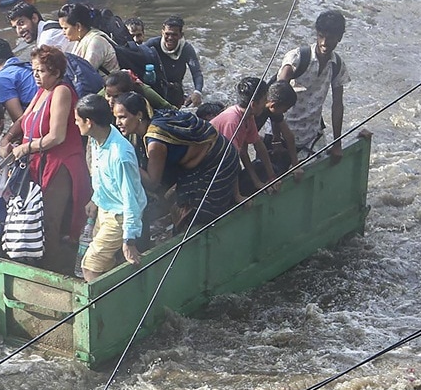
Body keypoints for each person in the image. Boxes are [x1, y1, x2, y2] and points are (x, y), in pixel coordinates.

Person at [2, 45, 93, 274]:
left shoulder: (61, 91)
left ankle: (55, 273)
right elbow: (24, 119)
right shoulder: (42, 91)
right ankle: (41, 264)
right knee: (36, 218)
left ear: (55, 71)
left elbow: (57, 136)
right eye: (34, 70)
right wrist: (8, 138)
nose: (36, 76)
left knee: (51, 221)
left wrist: (25, 147)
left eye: (41, 71)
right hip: (38, 163)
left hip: (60, 164)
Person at [112, 92, 238, 234]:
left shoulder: (155, 141)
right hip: (204, 156)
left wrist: (127, 161)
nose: (117, 123)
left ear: (139, 115)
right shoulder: (154, 117)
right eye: (116, 117)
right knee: (174, 201)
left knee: (196, 215)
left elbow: (153, 182)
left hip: (217, 161)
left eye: (122, 117)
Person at [75, 94, 146, 281]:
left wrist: (129, 239)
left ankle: (100, 309)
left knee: (89, 266)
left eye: (77, 120)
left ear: (89, 122)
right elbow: (102, 177)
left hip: (120, 217)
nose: (76, 124)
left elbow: (131, 199)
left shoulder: (120, 155)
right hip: (105, 209)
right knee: (104, 265)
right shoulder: (97, 140)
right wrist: (95, 199)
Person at [277, 10, 350, 160]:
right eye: (321, 36)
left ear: (340, 38)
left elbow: (337, 105)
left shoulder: (337, 66)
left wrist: (337, 143)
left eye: (330, 38)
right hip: (283, 132)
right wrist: (276, 140)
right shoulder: (297, 58)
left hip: (311, 134)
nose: (324, 43)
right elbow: (276, 96)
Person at [211, 76, 278, 195]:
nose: (266, 103)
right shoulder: (233, 121)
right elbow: (231, 161)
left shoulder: (248, 116)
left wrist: (271, 176)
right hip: (211, 166)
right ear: (253, 104)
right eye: (264, 100)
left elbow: (258, 145)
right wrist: (238, 196)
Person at [145, 16, 205, 108]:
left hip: (176, 89)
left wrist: (197, 92)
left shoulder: (186, 49)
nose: (170, 38)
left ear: (181, 35)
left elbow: (196, 72)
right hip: (156, 88)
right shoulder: (152, 44)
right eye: (167, 34)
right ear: (162, 32)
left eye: (174, 35)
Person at [0, 38, 38, 123]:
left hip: (38, 119)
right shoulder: (28, 66)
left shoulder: (2, 78)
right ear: (12, 54)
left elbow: (19, 120)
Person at [256, 80, 302, 180]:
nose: (284, 112)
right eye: (284, 110)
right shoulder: (254, 112)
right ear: (273, 105)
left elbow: (288, 136)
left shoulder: (272, 109)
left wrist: (295, 165)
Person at [58, 3, 119, 75]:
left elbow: (84, 75)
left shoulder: (96, 42)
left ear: (78, 26)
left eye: (65, 28)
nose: (63, 32)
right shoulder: (81, 40)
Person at [104, 70, 172, 112]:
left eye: (116, 96)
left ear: (129, 92)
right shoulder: (106, 92)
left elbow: (170, 109)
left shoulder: (144, 91)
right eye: (108, 96)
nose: (111, 101)